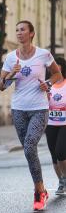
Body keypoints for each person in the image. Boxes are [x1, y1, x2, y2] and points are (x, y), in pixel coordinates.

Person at [0, 20, 62, 211]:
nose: (19, 33)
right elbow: (1, 86)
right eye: (17, 30)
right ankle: (41, 188)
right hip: (18, 109)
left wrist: (48, 84)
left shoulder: (44, 55)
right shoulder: (10, 58)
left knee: (28, 147)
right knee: (29, 152)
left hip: (39, 109)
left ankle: (38, 191)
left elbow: (57, 74)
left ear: (31, 33)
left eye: (23, 30)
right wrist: (10, 74)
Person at [45, 57, 66, 195]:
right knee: (54, 155)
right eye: (53, 68)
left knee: (60, 152)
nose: (55, 70)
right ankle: (61, 182)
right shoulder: (47, 85)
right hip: (50, 123)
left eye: (57, 68)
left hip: (65, 123)